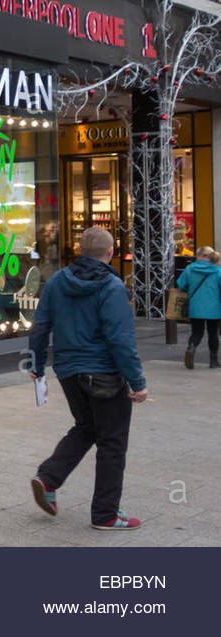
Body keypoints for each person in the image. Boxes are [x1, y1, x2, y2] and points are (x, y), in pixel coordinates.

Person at [27, 226, 148, 530]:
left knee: (87, 427)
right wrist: (137, 381)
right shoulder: (112, 285)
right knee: (113, 442)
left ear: (80, 250)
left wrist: (37, 365)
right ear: (111, 253)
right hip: (104, 374)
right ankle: (106, 514)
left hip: (69, 371)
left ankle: (48, 478)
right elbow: (121, 340)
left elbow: (40, 327)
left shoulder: (56, 281)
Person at [176, 245, 221, 369]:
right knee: (213, 333)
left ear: (200, 256)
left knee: (196, 332)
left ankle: (192, 347)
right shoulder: (217, 271)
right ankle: (214, 361)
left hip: (196, 307)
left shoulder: (190, 269)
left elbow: (181, 285)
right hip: (214, 308)